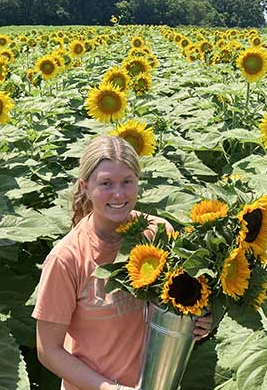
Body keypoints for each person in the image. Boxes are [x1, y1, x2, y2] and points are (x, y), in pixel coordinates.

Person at [32, 135, 212, 390]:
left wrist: (201, 320)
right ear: (85, 186)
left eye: (127, 181)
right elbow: (48, 350)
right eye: (106, 183)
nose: (118, 193)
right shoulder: (67, 258)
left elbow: (178, 305)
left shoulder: (158, 234)